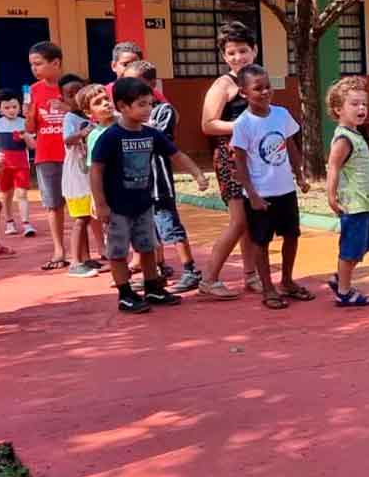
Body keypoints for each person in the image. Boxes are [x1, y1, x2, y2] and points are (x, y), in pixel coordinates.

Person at [91, 77, 208, 313]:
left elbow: (176, 154)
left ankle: (152, 287)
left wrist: (197, 173)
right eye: (142, 104)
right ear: (123, 107)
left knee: (147, 247)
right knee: (118, 252)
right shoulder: (111, 137)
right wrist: (101, 203)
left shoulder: (151, 134)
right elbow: (96, 170)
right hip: (118, 207)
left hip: (144, 204)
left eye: (150, 104)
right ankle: (125, 294)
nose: (149, 109)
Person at [229, 64, 312, 310]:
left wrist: (299, 174)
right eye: (258, 89)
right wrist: (252, 194)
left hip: (285, 189)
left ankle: (287, 280)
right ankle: (268, 287)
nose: (265, 92)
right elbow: (240, 163)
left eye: (268, 87)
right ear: (243, 93)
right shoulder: (243, 124)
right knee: (261, 241)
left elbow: (291, 146)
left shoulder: (281, 114)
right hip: (260, 194)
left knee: (292, 235)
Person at [121, 61, 203, 292]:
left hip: (159, 183)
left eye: (136, 82)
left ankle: (190, 270)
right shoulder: (127, 114)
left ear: (152, 84)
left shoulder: (163, 111)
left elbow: (158, 139)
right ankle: (157, 270)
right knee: (149, 230)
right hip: (138, 185)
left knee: (170, 225)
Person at [196, 21, 261, 300]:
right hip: (230, 158)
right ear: (224, 56)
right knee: (238, 221)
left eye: (243, 51)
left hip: (255, 158)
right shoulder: (223, 84)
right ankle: (208, 279)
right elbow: (208, 124)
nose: (238, 57)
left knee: (250, 219)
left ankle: (251, 276)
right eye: (232, 53)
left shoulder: (258, 79)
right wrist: (242, 126)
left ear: (254, 51)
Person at [325, 76, 369, 307]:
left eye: (364, 104)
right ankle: (344, 292)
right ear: (338, 109)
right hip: (353, 205)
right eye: (354, 104)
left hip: (363, 204)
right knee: (350, 249)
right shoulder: (344, 139)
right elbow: (333, 167)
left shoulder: (355, 134)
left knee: (363, 245)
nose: (362, 108)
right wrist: (331, 196)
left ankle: (340, 278)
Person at [26, 41, 69, 270]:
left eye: (38, 63)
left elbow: (87, 118)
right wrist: (29, 114)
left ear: (56, 63)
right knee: (53, 205)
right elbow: (31, 128)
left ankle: (100, 249)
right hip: (46, 154)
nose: (34, 68)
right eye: (32, 64)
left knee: (84, 202)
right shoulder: (33, 90)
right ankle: (58, 250)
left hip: (73, 154)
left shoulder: (72, 86)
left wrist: (67, 108)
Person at [60, 74, 105, 278]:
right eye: (69, 94)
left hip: (86, 177)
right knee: (80, 219)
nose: (74, 96)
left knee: (86, 217)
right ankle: (75, 262)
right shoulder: (70, 118)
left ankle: (86, 258)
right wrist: (84, 133)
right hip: (76, 178)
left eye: (78, 91)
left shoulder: (87, 118)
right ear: (64, 99)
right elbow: (68, 140)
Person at [0, 88, 36, 237]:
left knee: (22, 193)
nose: (11, 110)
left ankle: (26, 223)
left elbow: (33, 145)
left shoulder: (24, 123)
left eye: (15, 107)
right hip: (4, 165)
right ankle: (9, 222)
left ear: (20, 105)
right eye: (7, 107)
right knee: (6, 195)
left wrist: (26, 137)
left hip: (22, 164)